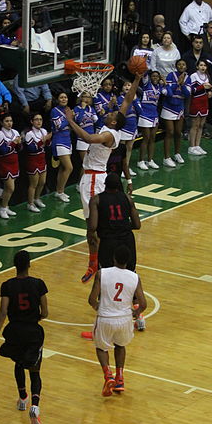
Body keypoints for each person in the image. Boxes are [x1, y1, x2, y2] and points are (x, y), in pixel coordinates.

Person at [64, 74, 141, 283]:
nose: (110, 112)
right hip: (97, 177)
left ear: (114, 121)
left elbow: (88, 138)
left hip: (93, 180)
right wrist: (137, 79)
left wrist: (70, 120)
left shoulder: (108, 135)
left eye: (112, 113)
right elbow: (127, 100)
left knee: (93, 228)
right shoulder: (114, 125)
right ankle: (97, 263)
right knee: (97, 227)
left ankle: (94, 265)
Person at [0, 250, 48, 424]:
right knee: (35, 369)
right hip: (33, 331)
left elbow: (3, 311)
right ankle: (35, 406)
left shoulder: (7, 286)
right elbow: (45, 312)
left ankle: (22, 398)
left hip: (14, 330)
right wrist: (35, 317)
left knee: (18, 362)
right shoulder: (39, 284)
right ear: (29, 264)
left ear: (14, 265)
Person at [88, 244, 146, 396]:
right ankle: (119, 378)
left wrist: (98, 308)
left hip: (106, 318)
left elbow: (92, 299)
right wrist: (136, 312)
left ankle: (108, 374)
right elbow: (144, 303)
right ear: (128, 261)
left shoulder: (102, 273)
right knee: (120, 345)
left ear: (114, 258)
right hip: (124, 319)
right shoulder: (135, 277)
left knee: (101, 347)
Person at [160, 59, 191, 166]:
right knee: (170, 132)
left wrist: (182, 85)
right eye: (179, 64)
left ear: (186, 67)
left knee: (178, 132)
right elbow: (168, 93)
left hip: (179, 108)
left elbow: (187, 94)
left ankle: (177, 154)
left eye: (183, 64)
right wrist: (177, 83)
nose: (181, 66)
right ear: (176, 66)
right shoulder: (170, 75)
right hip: (168, 106)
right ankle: (166, 157)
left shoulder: (188, 78)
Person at [137, 70, 167, 170]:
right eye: (153, 76)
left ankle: (150, 160)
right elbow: (144, 74)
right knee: (146, 138)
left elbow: (169, 93)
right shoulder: (146, 84)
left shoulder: (160, 87)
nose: (155, 78)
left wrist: (164, 82)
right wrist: (144, 66)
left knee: (152, 138)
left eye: (157, 77)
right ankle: (140, 161)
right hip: (144, 114)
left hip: (154, 115)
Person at [0, 113, 21, 219]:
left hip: (14, 161)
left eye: (10, 121)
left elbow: (19, 149)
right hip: (4, 162)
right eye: (7, 121)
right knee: (10, 187)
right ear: (1, 122)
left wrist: (19, 144)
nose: (9, 123)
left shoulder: (15, 132)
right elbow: (3, 151)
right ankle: (2, 207)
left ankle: (6, 206)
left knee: (7, 187)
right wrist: (14, 143)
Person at [24, 112, 51, 213]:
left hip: (42, 158)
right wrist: (43, 140)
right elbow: (31, 149)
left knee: (42, 182)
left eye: (40, 119)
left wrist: (47, 140)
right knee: (33, 183)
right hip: (33, 159)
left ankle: (37, 198)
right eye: (36, 119)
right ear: (32, 121)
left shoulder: (43, 131)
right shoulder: (29, 134)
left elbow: (48, 144)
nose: (39, 121)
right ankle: (30, 203)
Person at [50, 92, 73, 203]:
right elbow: (58, 126)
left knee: (63, 168)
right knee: (69, 168)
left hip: (68, 140)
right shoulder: (54, 111)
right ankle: (60, 192)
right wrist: (69, 120)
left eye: (65, 97)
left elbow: (72, 124)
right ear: (58, 99)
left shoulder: (68, 109)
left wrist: (69, 121)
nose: (64, 99)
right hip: (59, 140)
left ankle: (59, 191)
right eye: (61, 97)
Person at [116, 80, 141, 176]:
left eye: (129, 85)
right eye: (125, 85)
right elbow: (122, 112)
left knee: (129, 147)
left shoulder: (135, 99)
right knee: (121, 148)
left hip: (133, 126)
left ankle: (126, 167)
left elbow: (140, 112)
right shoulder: (120, 99)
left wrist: (135, 100)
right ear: (122, 88)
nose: (127, 86)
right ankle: (120, 168)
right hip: (123, 126)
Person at [188, 59, 212, 155]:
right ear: (197, 66)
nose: (203, 67)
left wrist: (210, 91)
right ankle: (191, 147)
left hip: (204, 102)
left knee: (201, 125)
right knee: (195, 125)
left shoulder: (207, 76)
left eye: (205, 65)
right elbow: (191, 90)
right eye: (201, 65)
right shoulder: (193, 76)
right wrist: (202, 87)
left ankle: (197, 145)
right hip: (196, 102)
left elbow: (208, 88)